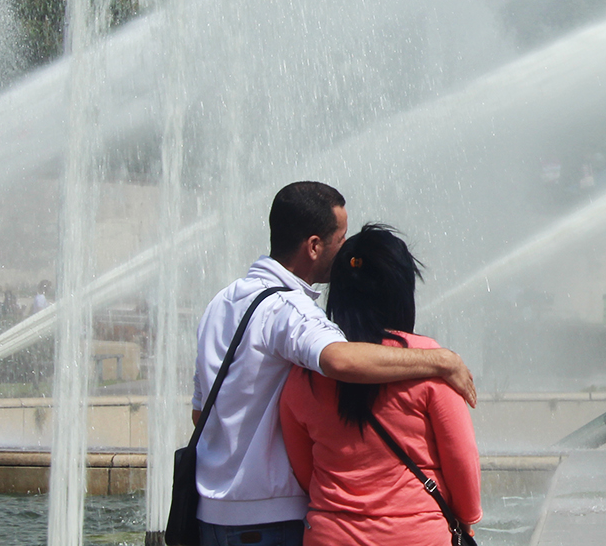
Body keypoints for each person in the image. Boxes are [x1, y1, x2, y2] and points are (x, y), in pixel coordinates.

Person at [190, 181, 477, 546]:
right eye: (340, 239)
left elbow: (201, 413)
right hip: (268, 518)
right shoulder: (290, 310)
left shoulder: (222, 302)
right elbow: (340, 359)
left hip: (211, 516)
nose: (346, 250)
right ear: (313, 246)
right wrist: (440, 360)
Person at [280, 224, 481, 546]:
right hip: (415, 534)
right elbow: (461, 455)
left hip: (331, 534)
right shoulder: (432, 363)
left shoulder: (304, 373)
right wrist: (468, 516)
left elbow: (304, 470)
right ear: (401, 290)